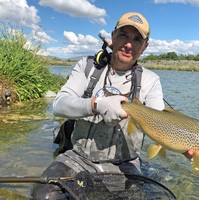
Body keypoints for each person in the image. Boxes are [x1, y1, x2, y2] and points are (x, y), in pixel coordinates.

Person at [32, 12, 165, 199]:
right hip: (78, 158)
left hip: (125, 164)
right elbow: (59, 105)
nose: (129, 44)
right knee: (43, 194)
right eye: (123, 35)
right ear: (113, 36)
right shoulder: (87, 66)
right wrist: (96, 104)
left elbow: (162, 122)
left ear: (144, 47)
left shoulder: (151, 81)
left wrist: (187, 147)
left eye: (136, 39)